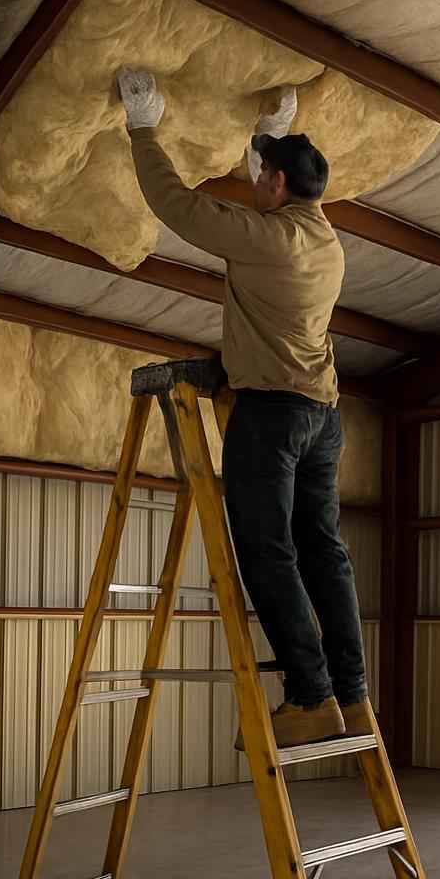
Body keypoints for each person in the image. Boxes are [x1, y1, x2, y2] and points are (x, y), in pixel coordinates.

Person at [116, 68, 370, 748]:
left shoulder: (269, 239)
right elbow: (271, 187)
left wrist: (144, 128)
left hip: (275, 417)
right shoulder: (326, 239)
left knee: (267, 550)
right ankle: (351, 691)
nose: (253, 181)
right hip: (325, 416)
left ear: (279, 187)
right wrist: (271, 135)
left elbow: (176, 206)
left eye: (262, 175)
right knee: (324, 552)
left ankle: (311, 698)